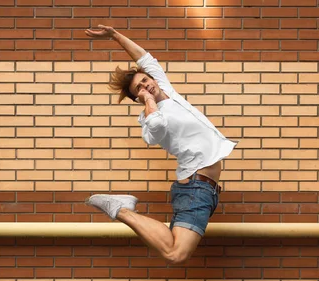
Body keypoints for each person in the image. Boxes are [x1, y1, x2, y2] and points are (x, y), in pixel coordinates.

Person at [84, 25, 238, 265]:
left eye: (146, 80)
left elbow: (143, 57)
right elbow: (156, 129)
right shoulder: (150, 120)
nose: (146, 86)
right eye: (140, 88)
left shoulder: (168, 91)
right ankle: (121, 210)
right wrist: (148, 102)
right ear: (137, 98)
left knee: (175, 249)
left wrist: (115, 35)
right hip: (196, 189)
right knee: (176, 253)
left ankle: (122, 209)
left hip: (203, 190)